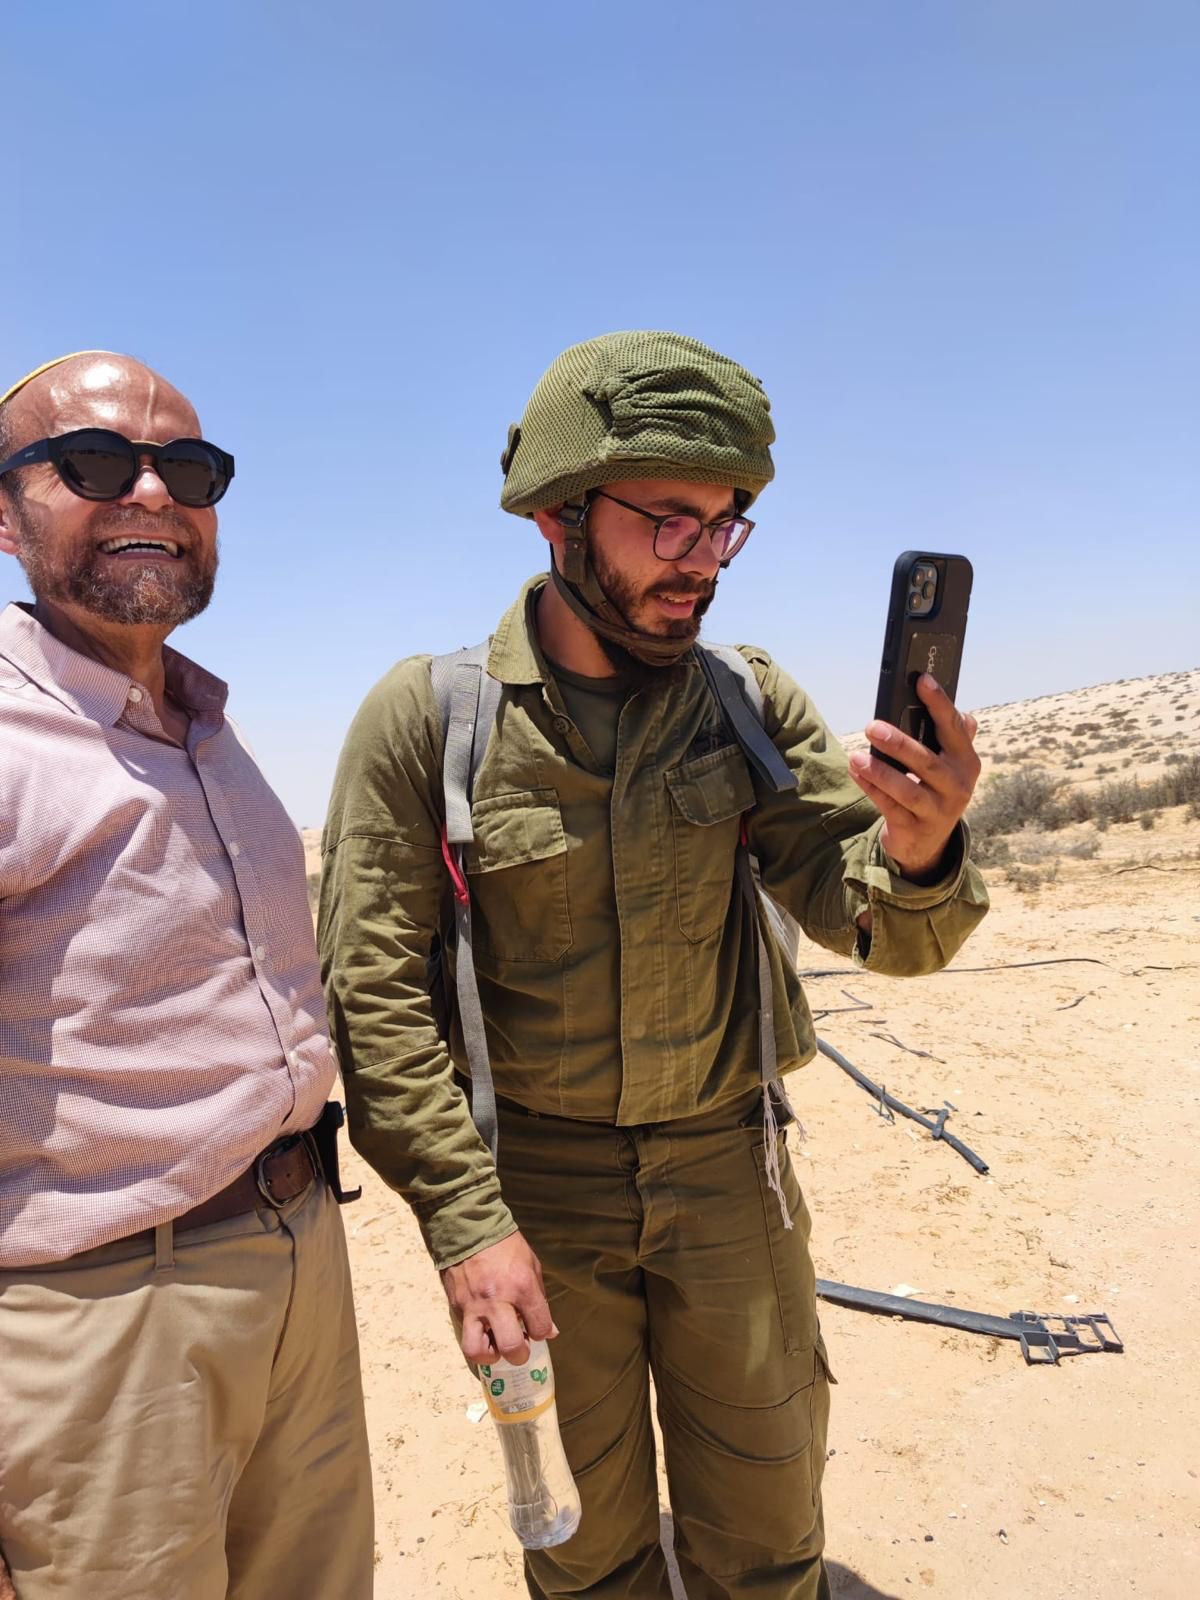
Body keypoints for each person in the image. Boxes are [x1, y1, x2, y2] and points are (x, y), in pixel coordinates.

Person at [320, 329, 989, 1599]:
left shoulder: (744, 699)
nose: (702, 560)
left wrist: (918, 851)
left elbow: (870, 918)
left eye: (725, 525)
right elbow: (376, 999)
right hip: (538, 1193)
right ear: (559, 518)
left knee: (767, 1535)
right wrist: (467, 1223)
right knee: (586, 1551)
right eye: (670, 522)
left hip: (731, 1172)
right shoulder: (428, 722)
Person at [0, 352, 374, 1600]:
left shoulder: (205, 729)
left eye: (190, 470)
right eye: (96, 462)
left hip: (296, 1260)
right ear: (4, 513)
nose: (154, 493)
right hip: (103, 1320)